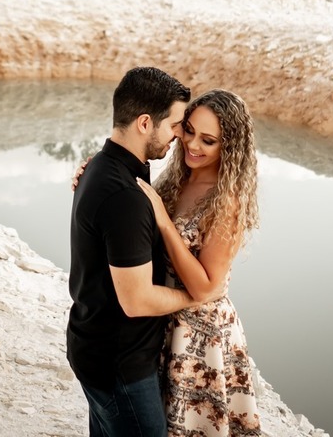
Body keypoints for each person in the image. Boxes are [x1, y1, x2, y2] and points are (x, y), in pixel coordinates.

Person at [68, 66, 215, 437]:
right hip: (120, 365)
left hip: (94, 345)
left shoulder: (109, 167)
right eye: (177, 124)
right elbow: (136, 300)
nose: (180, 136)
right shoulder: (123, 194)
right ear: (146, 123)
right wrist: (194, 296)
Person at [137, 89, 263, 437]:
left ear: (230, 147)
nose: (192, 144)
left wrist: (164, 221)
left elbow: (206, 286)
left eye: (208, 140)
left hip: (201, 333)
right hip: (162, 315)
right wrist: (93, 174)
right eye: (189, 130)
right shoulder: (178, 175)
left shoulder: (227, 199)